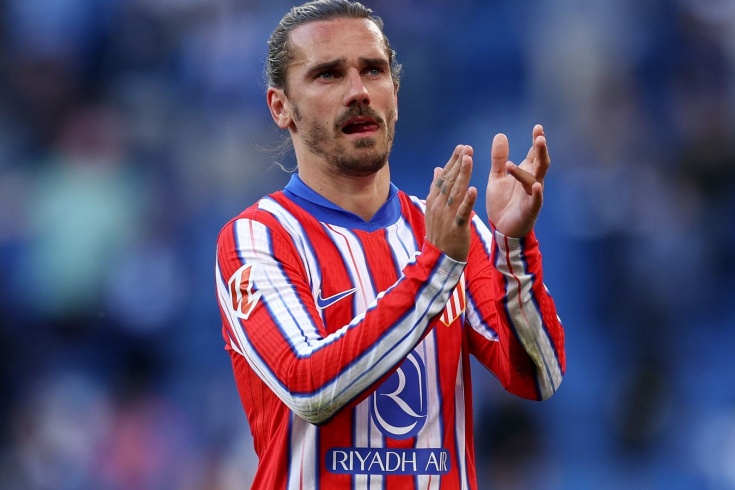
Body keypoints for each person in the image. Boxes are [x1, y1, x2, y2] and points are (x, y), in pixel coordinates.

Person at [215, 0, 566, 488]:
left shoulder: (451, 230)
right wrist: (437, 270)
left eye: (373, 70)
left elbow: (539, 376)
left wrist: (513, 248)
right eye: (328, 74)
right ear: (281, 107)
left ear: (395, 94)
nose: (358, 91)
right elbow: (310, 386)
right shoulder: (258, 237)